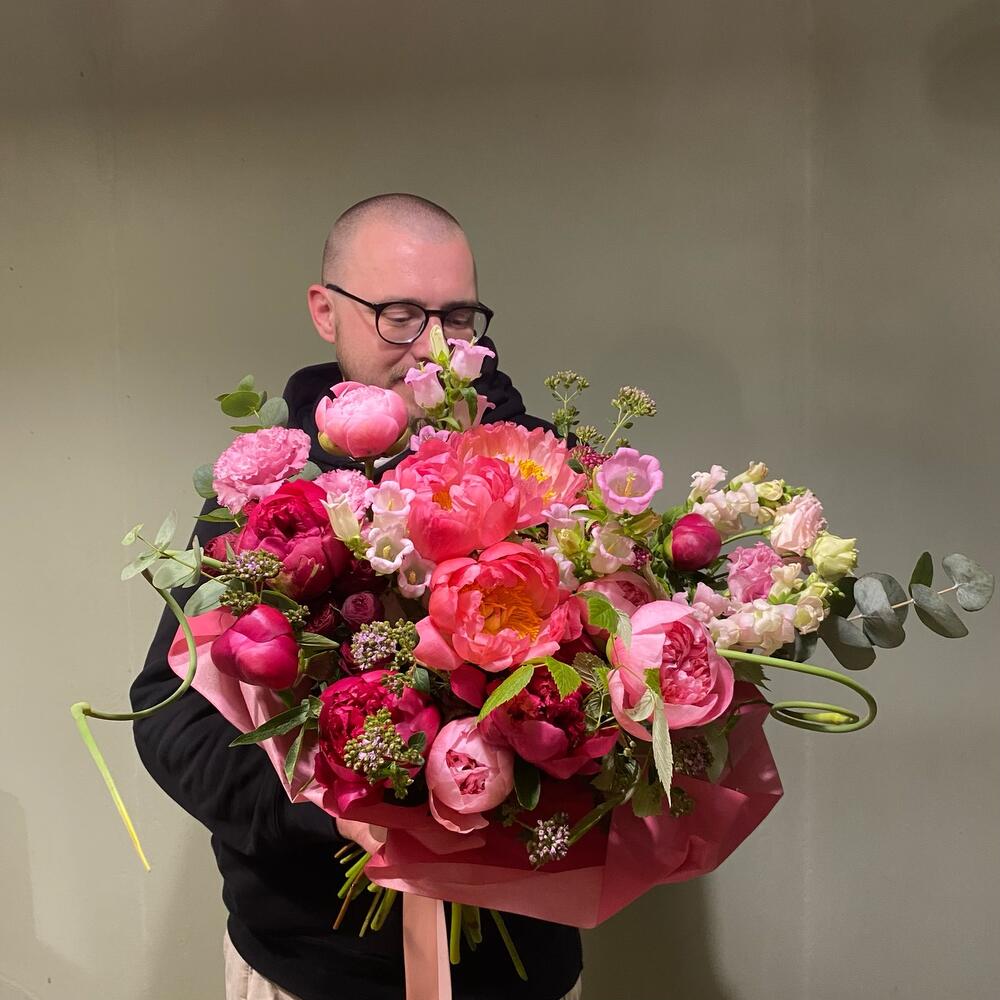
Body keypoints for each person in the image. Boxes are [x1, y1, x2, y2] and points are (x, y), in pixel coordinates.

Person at [129, 194, 585, 1000]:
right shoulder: (266, 501)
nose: (435, 348)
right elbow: (171, 718)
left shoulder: (551, 472)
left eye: (458, 318)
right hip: (308, 965)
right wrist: (328, 810)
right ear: (325, 311)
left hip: (523, 964)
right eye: (399, 317)